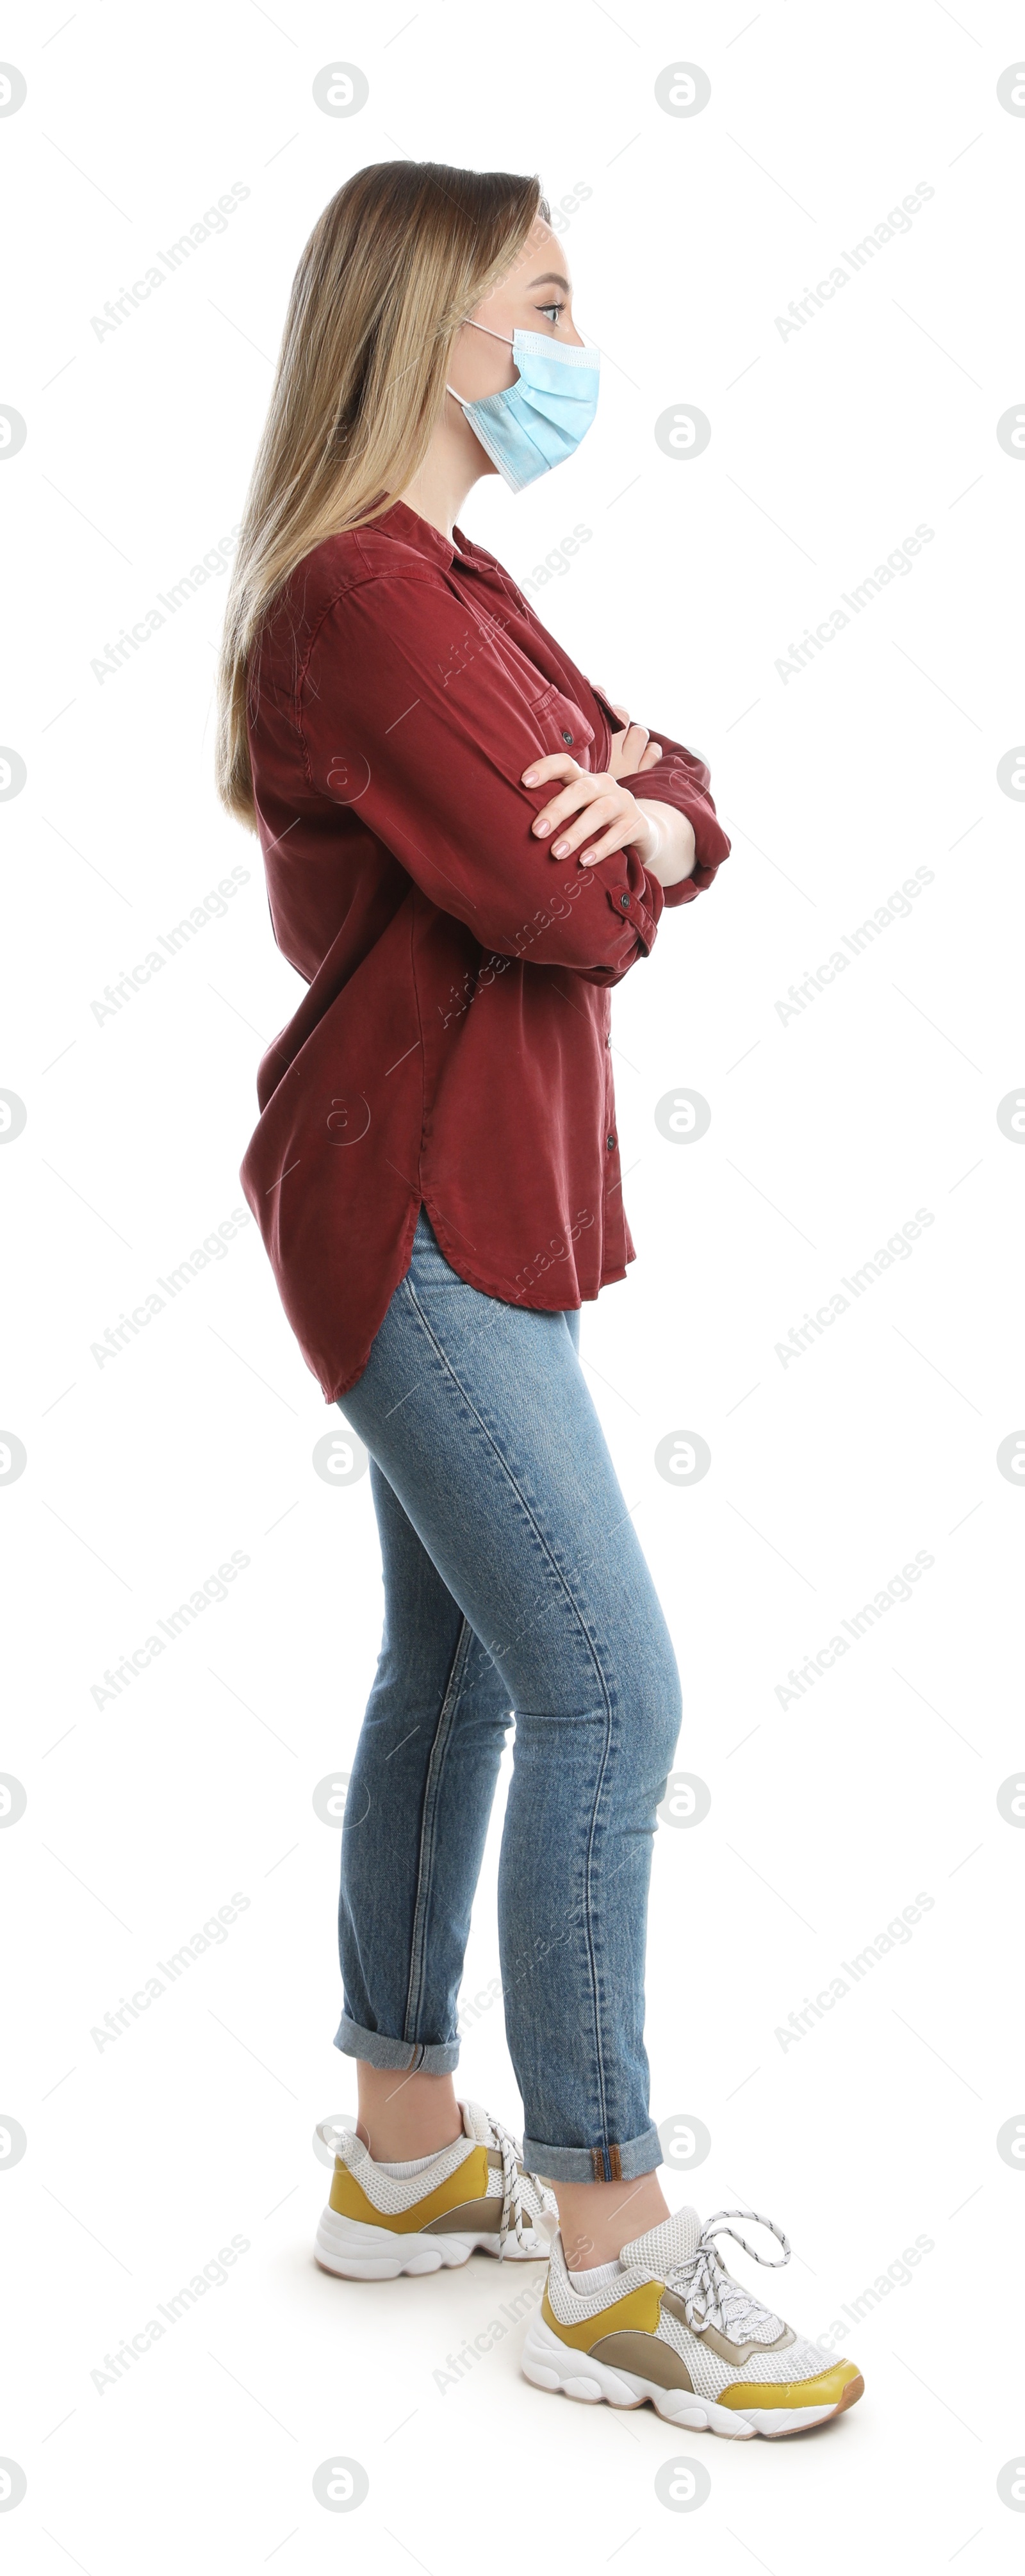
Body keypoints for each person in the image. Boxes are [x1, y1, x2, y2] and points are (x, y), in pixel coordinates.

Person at [215, 159, 863, 2438]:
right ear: (431, 329)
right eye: (546, 302)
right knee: (613, 1690)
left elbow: (666, 787)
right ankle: (606, 2249)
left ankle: (404, 2163)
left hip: (488, 1200)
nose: (576, 342)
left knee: (468, 1665)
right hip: (414, 1211)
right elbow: (555, 904)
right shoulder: (360, 609)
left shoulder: (460, 584)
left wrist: (652, 807)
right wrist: (618, 836)